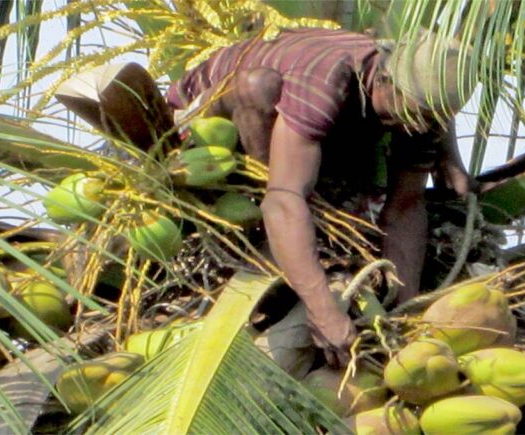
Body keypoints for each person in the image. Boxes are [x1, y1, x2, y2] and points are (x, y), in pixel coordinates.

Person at [167, 28, 478, 367]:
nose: (418, 127)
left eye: (431, 119)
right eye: (415, 114)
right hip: (204, 121)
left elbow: (406, 208)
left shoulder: (421, 111)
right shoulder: (325, 79)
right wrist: (322, 308)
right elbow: (283, 199)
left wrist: (404, 314)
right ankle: (264, 199)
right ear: (386, 80)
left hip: (313, 131)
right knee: (259, 87)